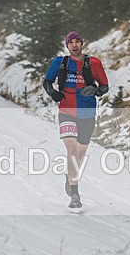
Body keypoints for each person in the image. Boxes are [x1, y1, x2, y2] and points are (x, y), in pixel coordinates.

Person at [43, 31, 109, 209]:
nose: (74, 45)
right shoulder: (60, 63)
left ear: (82, 43)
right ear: (67, 45)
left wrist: (95, 91)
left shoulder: (93, 63)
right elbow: (47, 82)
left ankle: (69, 175)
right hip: (66, 112)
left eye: (77, 41)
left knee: (80, 155)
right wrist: (54, 93)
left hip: (87, 114)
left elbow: (104, 86)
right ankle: (75, 193)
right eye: (70, 42)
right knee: (71, 151)